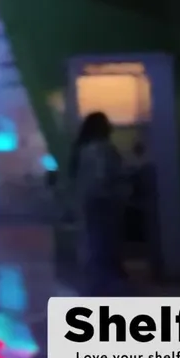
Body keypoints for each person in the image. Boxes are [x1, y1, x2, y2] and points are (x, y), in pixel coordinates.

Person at [69, 111, 130, 294]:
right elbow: (102, 176)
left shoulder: (82, 149)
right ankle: (110, 281)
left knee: (94, 239)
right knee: (108, 240)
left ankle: (97, 281)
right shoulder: (103, 149)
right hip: (105, 201)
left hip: (89, 201)